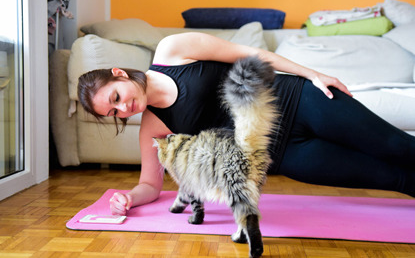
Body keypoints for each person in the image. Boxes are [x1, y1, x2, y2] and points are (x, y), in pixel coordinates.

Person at [78, 32, 415, 215]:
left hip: (300, 101)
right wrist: (129, 198)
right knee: (392, 177)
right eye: (114, 113)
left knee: (399, 148)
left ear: (119, 74)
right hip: (285, 154)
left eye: (116, 97)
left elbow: (250, 56)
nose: (123, 109)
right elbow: (150, 185)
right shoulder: (153, 126)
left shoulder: (173, 51)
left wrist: (313, 74)